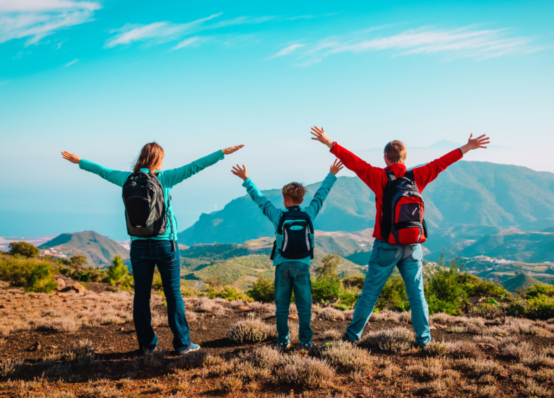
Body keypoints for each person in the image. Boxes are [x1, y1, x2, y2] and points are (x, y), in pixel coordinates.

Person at [310, 126, 490, 347]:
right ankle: (424, 340)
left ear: (386, 157)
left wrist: (329, 142)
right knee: (417, 296)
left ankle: (351, 337)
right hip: (413, 245)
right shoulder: (417, 176)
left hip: (386, 245)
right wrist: (467, 147)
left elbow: (353, 162)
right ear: (405, 158)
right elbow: (441, 163)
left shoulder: (378, 176)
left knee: (370, 295)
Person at [61, 142, 244, 354]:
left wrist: (79, 161)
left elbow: (103, 171)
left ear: (142, 158)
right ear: (158, 160)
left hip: (138, 246)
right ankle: (183, 344)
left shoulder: (127, 179)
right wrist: (222, 153)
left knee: (141, 296)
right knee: (173, 294)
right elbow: (196, 166)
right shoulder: (164, 178)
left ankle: (147, 346)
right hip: (165, 244)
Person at [230, 160, 344, 350]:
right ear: (301, 200)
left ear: (284, 199)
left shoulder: (278, 216)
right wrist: (331, 174)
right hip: (303, 266)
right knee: (304, 308)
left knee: (282, 308)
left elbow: (261, 200)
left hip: (282, 266)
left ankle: (283, 340)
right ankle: (306, 340)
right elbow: (320, 196)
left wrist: (246, 179)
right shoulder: (309, 213)